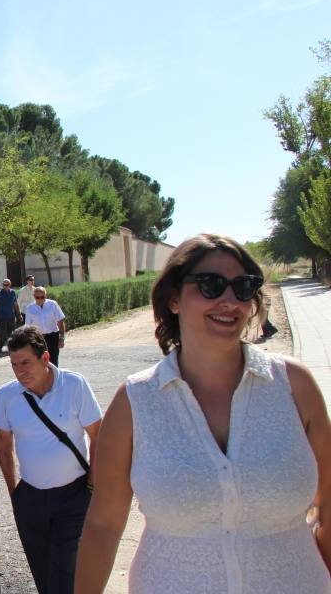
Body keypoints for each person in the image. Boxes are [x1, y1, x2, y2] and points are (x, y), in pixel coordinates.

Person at [75, 234, 331, 594]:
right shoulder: (135, 401)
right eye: (211, 285)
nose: (229, 300)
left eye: (243, 287)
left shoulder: (295, 386)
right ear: (174, 298)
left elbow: (329, 506)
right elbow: (103, 524)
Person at [0, 325, 102, 594]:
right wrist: (14, 491)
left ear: (45, 359)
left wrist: (91, 485)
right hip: (30, 497)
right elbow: (4, 447)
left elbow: (99, 437)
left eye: (26, 363)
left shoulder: (75, 385)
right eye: (14, 365)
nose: (20, 372)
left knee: (64, 575)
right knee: (42, 574)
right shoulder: (7, 395)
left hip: (74, 495)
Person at [24, 287, 66, 367]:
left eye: (42, 297)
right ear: (34, 296)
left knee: (53, 361)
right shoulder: (29, 308)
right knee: (40, 361)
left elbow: (60, 321)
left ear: (45, 296)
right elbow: (28, 327)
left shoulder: (53, 304)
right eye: (37, 297)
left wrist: (62, 337)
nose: (40, 299)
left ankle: (54, 378)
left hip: (53, 336)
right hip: (38, 338)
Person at [0, 279, 20, 352]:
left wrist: (19, 315)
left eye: (7, 285)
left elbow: (15, 305)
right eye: (4, 285)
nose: (5, 286)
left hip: (11, 316)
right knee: (3, 335)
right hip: (2, 317)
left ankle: (12, 348)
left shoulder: (13, 292)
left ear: (10, 285)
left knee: (12, 333)